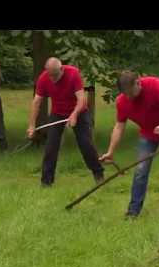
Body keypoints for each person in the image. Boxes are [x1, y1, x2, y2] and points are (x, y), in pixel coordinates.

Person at [99, 71, 159, 218]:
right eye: (126, 94)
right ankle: (133, 212)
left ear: (138, 82)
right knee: (140, 171)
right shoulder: (122, 102)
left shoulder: (154, 84)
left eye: (131, 93)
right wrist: (110, 152)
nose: (130, 97)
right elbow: (119, 127)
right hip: (148, 134)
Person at [27, 57, 104, 186]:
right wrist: (31, 125)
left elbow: (81, 100)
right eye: (50, 75)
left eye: (55, 75)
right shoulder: (44, 78)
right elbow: (36, 102)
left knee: (85, 144)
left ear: (61, 69)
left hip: (79, 112)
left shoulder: (73, 73)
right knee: (51, 146)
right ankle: (46, 182)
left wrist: (74, 115)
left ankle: (98, 173)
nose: (52, 79)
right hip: (57, 113)